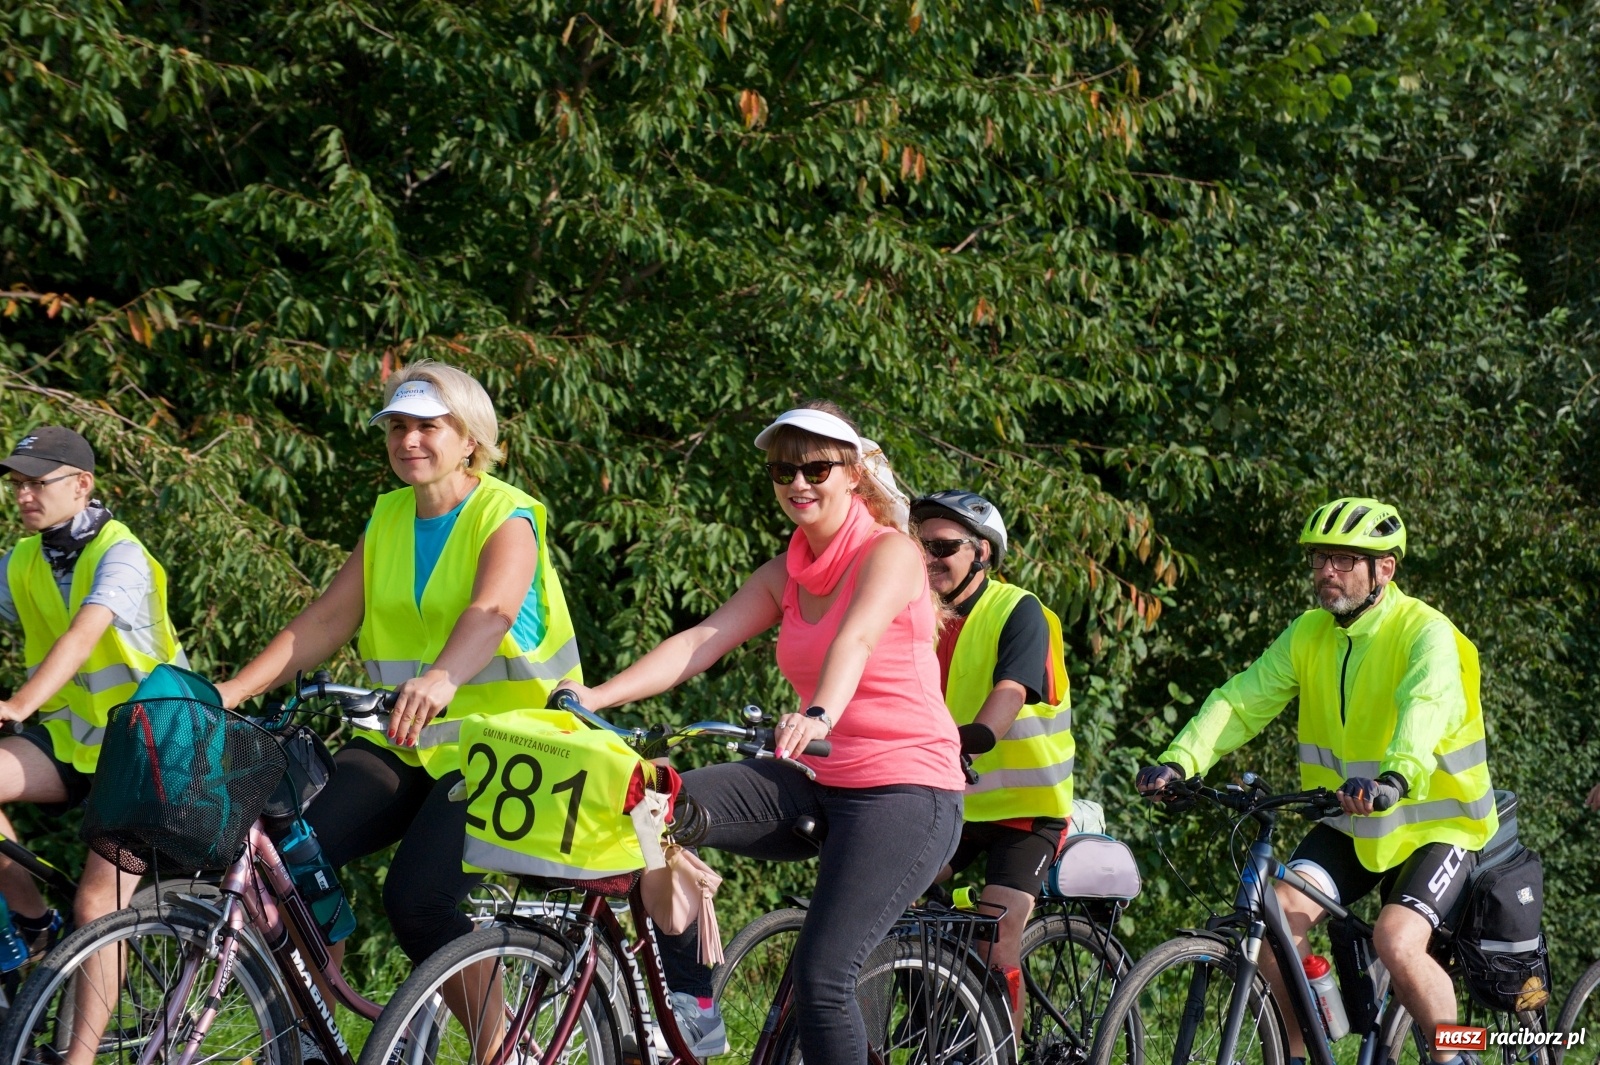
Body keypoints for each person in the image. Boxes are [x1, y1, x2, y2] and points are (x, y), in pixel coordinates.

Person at [554, 402, 965, 1065]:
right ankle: (694, 998)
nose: (798, 483)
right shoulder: (788, 572)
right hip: (818, 777)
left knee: (823, 979)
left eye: (816, 468)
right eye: (782, 470)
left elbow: (856, 639)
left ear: (853, 473)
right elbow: (701, 641)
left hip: (906, 790)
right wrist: (596, 696)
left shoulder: (891, 553)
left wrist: (819, 714)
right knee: (654, 802)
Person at [215, 360, 581, 970]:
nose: (408, 439)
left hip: (506, 746)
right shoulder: (388, 516)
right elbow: (327, 620)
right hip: (409, 739)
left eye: (427, 426)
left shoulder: (506, 515)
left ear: (470, 439)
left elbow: (492, 611)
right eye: (396, 426)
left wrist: (441, 676)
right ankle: (311, 1018)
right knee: (288, 860)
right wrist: (234, 689)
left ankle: (491, 1033)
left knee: (418, 903)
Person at [1136, 497, 1497, 1065]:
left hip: (1435, 824)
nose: (1327, 571)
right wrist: (1181, 761)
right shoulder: (1309, 633)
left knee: (1396, 941)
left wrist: (1396, 776)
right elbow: (1242, 700)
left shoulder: (1425, 632)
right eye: (1320, 559)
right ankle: (1297, 1056)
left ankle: (1458, 1056)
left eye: (1343, 560)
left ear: (1384, 569)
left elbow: (1424, 706)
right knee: (1275, 915)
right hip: (1353, 822)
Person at [0, 425, 186, 948]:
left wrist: (18, 705)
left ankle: (88, 1006)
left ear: (82, 484)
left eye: (37, 482)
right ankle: (35, 923)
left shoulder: (120, 554)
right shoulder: (24, 560)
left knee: (96, 908)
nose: (23, 494)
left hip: (152, 748)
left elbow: (82, 638)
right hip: (78, 739)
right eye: (17, 484)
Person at [910, 490, 1075, 1036]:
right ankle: (931, 1028)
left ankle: (1003, 1051)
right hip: (953, 801)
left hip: (1026, 811)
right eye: (918, 546)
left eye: (942, 546)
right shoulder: (914, 615)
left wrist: (972, 740)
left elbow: (1011, 690)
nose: (927, 557)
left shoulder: (1019, 610)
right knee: (889, 900)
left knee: (995, 939)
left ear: (981, 552)